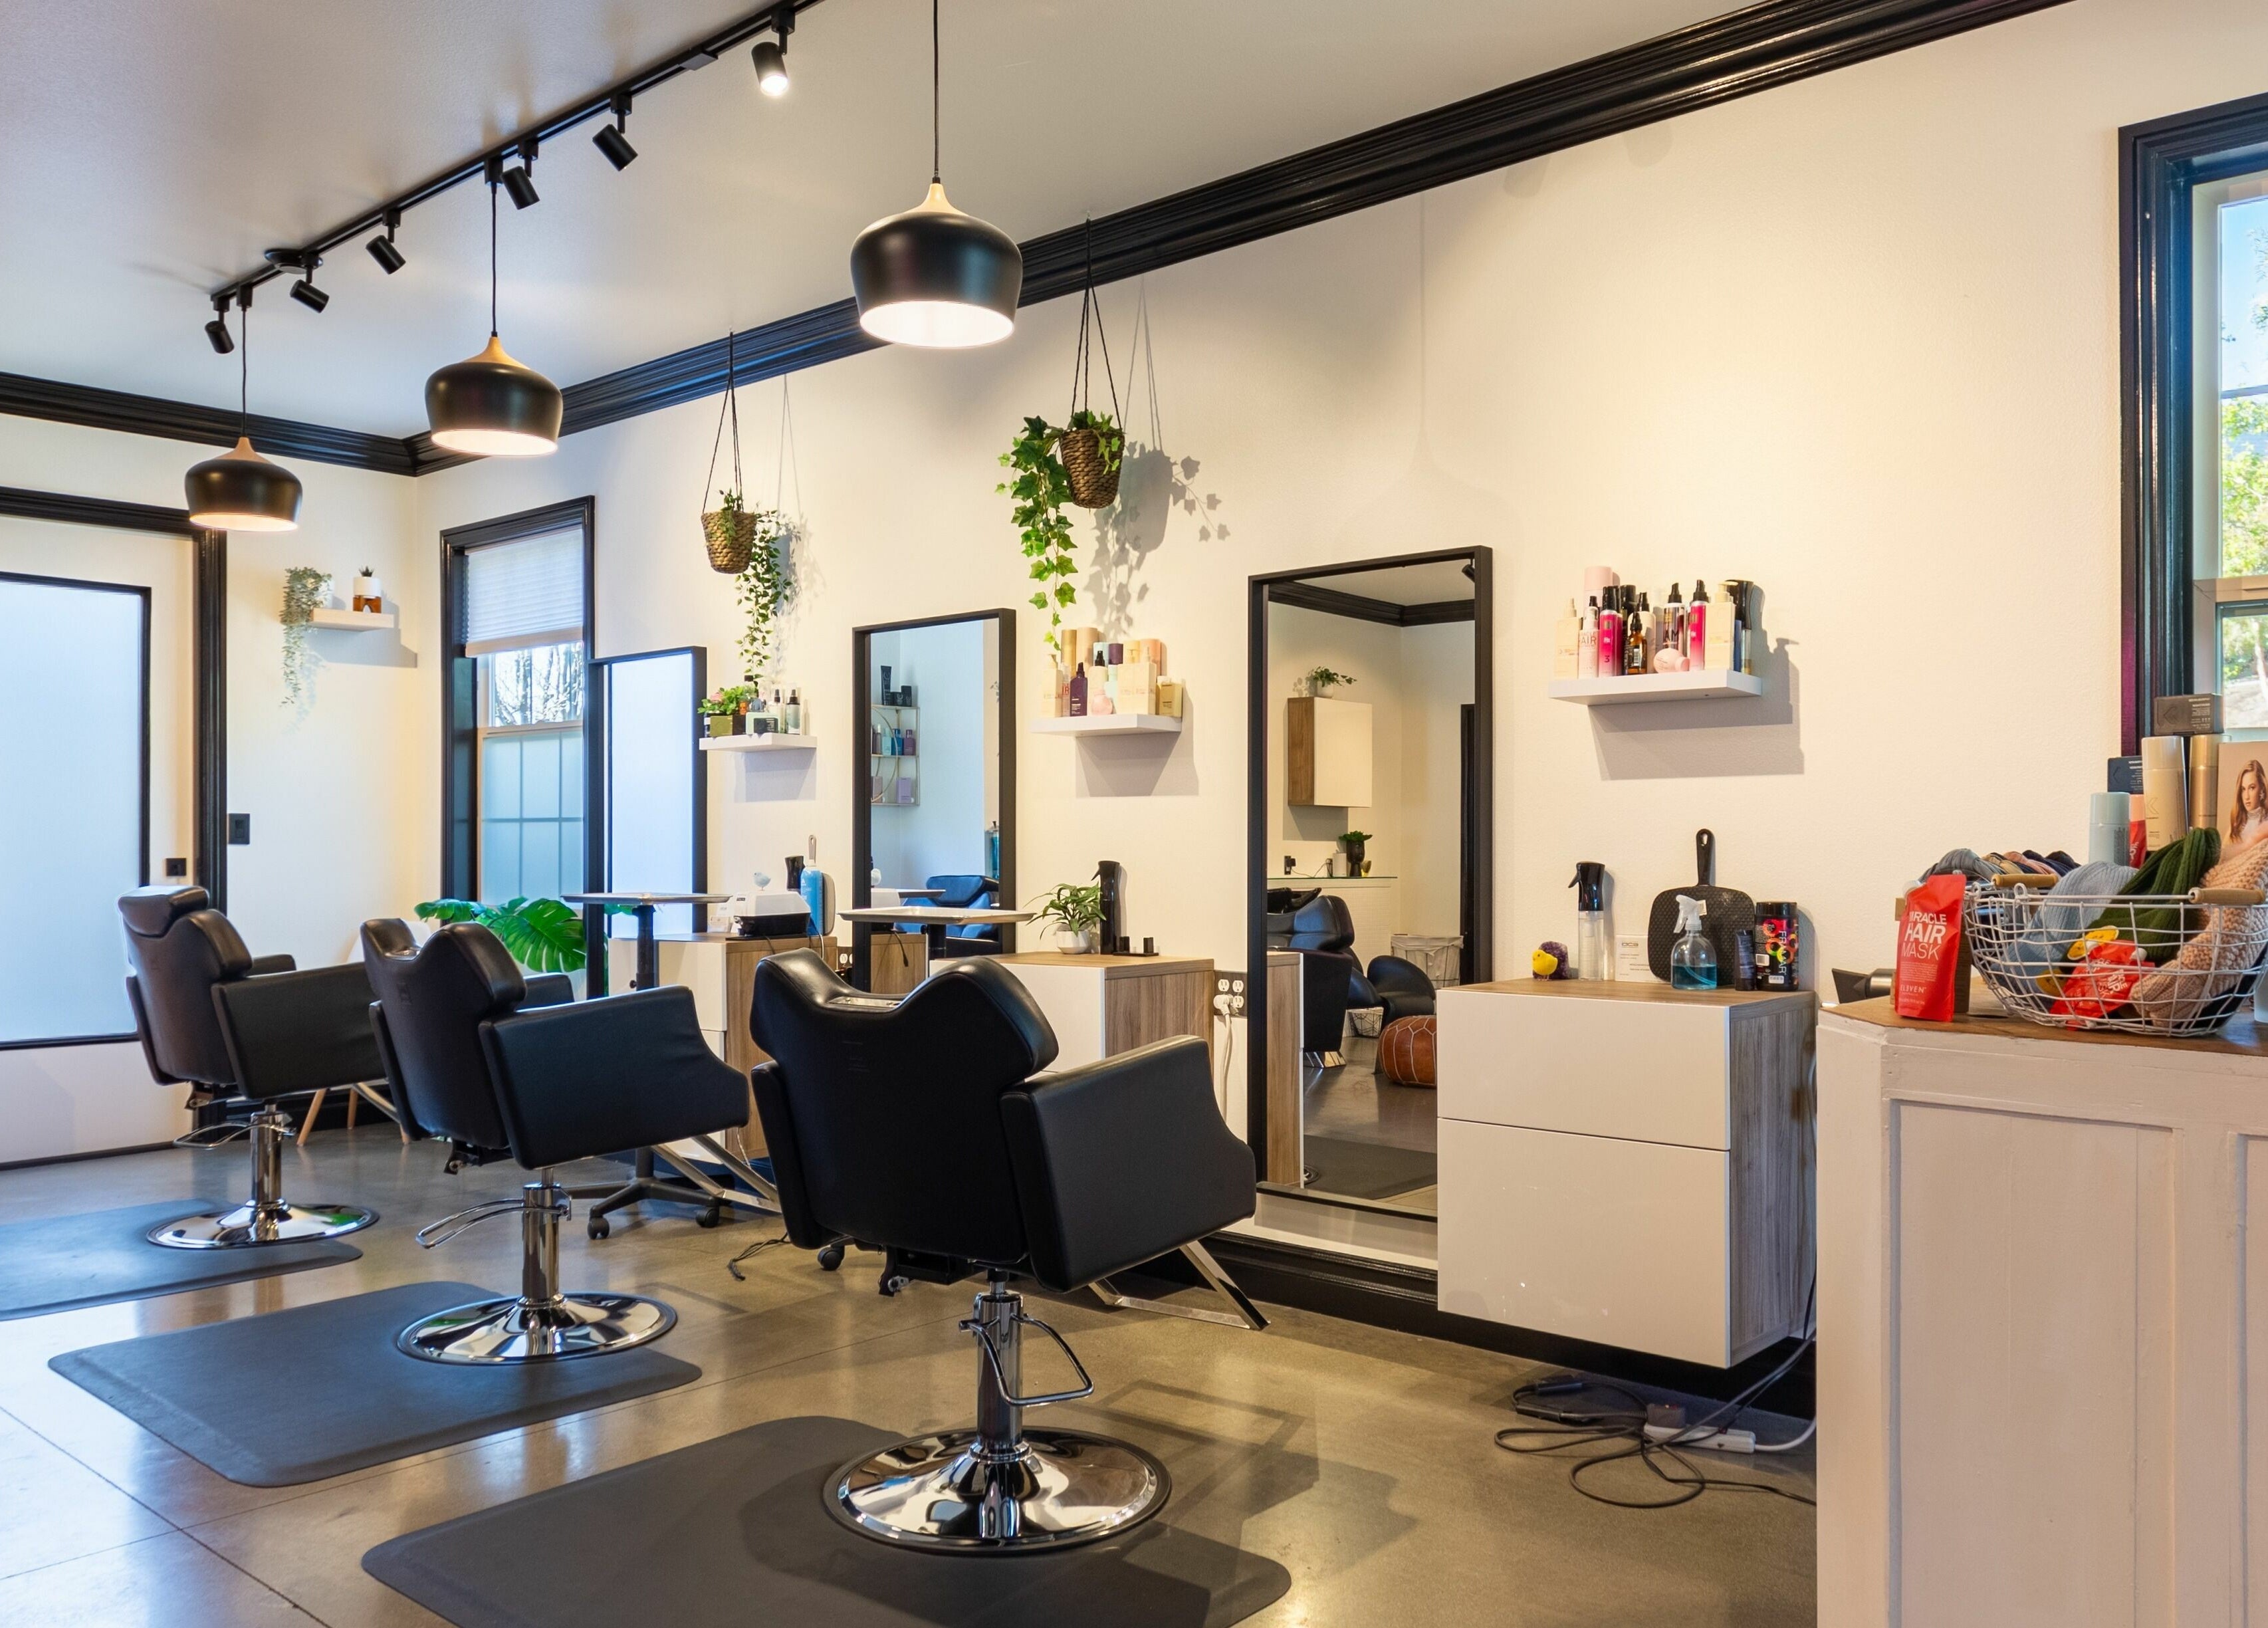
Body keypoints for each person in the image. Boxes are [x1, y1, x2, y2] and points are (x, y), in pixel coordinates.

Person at [2229, 758, 2268, 852]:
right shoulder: (2237, 824)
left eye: (2252, 788)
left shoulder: (2265, 824)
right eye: (2243, 789)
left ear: (2262, 788)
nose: (2246, 797)